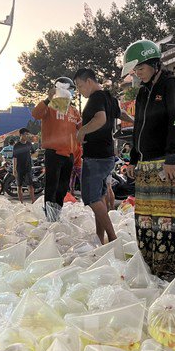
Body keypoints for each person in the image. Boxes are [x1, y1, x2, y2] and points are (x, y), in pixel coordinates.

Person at [123, 40, 175, 279]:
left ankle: (170, 270)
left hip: (164, 163)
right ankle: (151, 267)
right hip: (144, 164)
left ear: (154, 64)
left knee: (167, 219)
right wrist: (133, 159)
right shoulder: (143, 92)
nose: (138, 74)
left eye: (140, 68)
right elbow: (137, 126)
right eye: (135, 70)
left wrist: (172, 157)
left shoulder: (172, 86)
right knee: (146, 219)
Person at [74, 68, 124, 244]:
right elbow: (121, 114)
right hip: (107, 155)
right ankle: (99, 238)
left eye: (80, 86)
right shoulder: (109, 98)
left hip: (95, 157)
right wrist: (138, 120)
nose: (80, 91)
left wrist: (82, 131)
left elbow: (101, 119)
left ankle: (112, 237)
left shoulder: (96, 98)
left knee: (92, 199)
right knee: (100, 197)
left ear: (89, 81)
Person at [32, 77, 81, 222]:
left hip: (69, 154)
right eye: (68, 89)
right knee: (52, 187)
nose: (70, 92)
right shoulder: (50, 107)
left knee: (62, 188)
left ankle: (56, 215)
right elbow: (35, 114)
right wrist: (48, 99)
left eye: (72, 89)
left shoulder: (74, 111)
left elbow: (81, 127)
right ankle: (49, 217)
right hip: (53, 153)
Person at [13, 128, 36, 204]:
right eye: (25, 134)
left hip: (28, 167)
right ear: (21, 135)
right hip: (19, 168)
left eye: (27, 134)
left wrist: (30, 156)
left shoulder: (29, 144)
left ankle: (33, 202)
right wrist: (14, 169)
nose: (26, 136)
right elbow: (15, 158)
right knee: (19, 186)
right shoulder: (16, 145)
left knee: (30, 186)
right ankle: (21, 203)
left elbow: (34, 152)